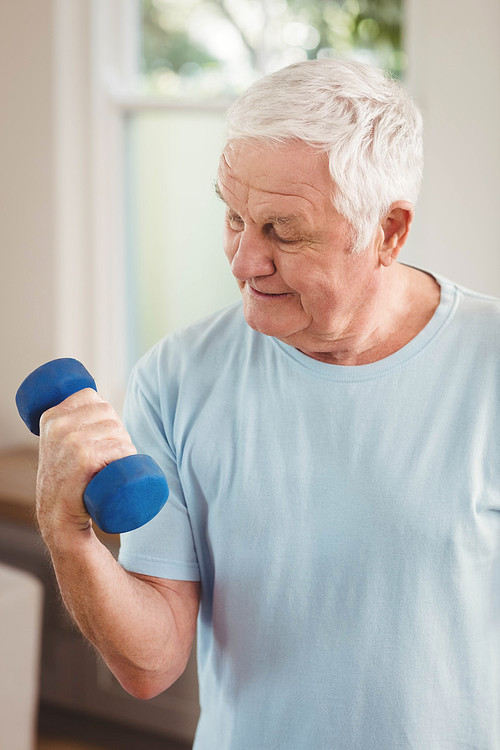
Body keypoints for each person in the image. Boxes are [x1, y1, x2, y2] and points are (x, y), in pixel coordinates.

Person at [36, 59, 500, 749]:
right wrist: (64, 532)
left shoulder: (488, 365)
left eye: (283, 231)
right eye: (233, 216)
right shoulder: (176, 375)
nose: (243, 260)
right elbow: (150, 663)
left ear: (389, 231)